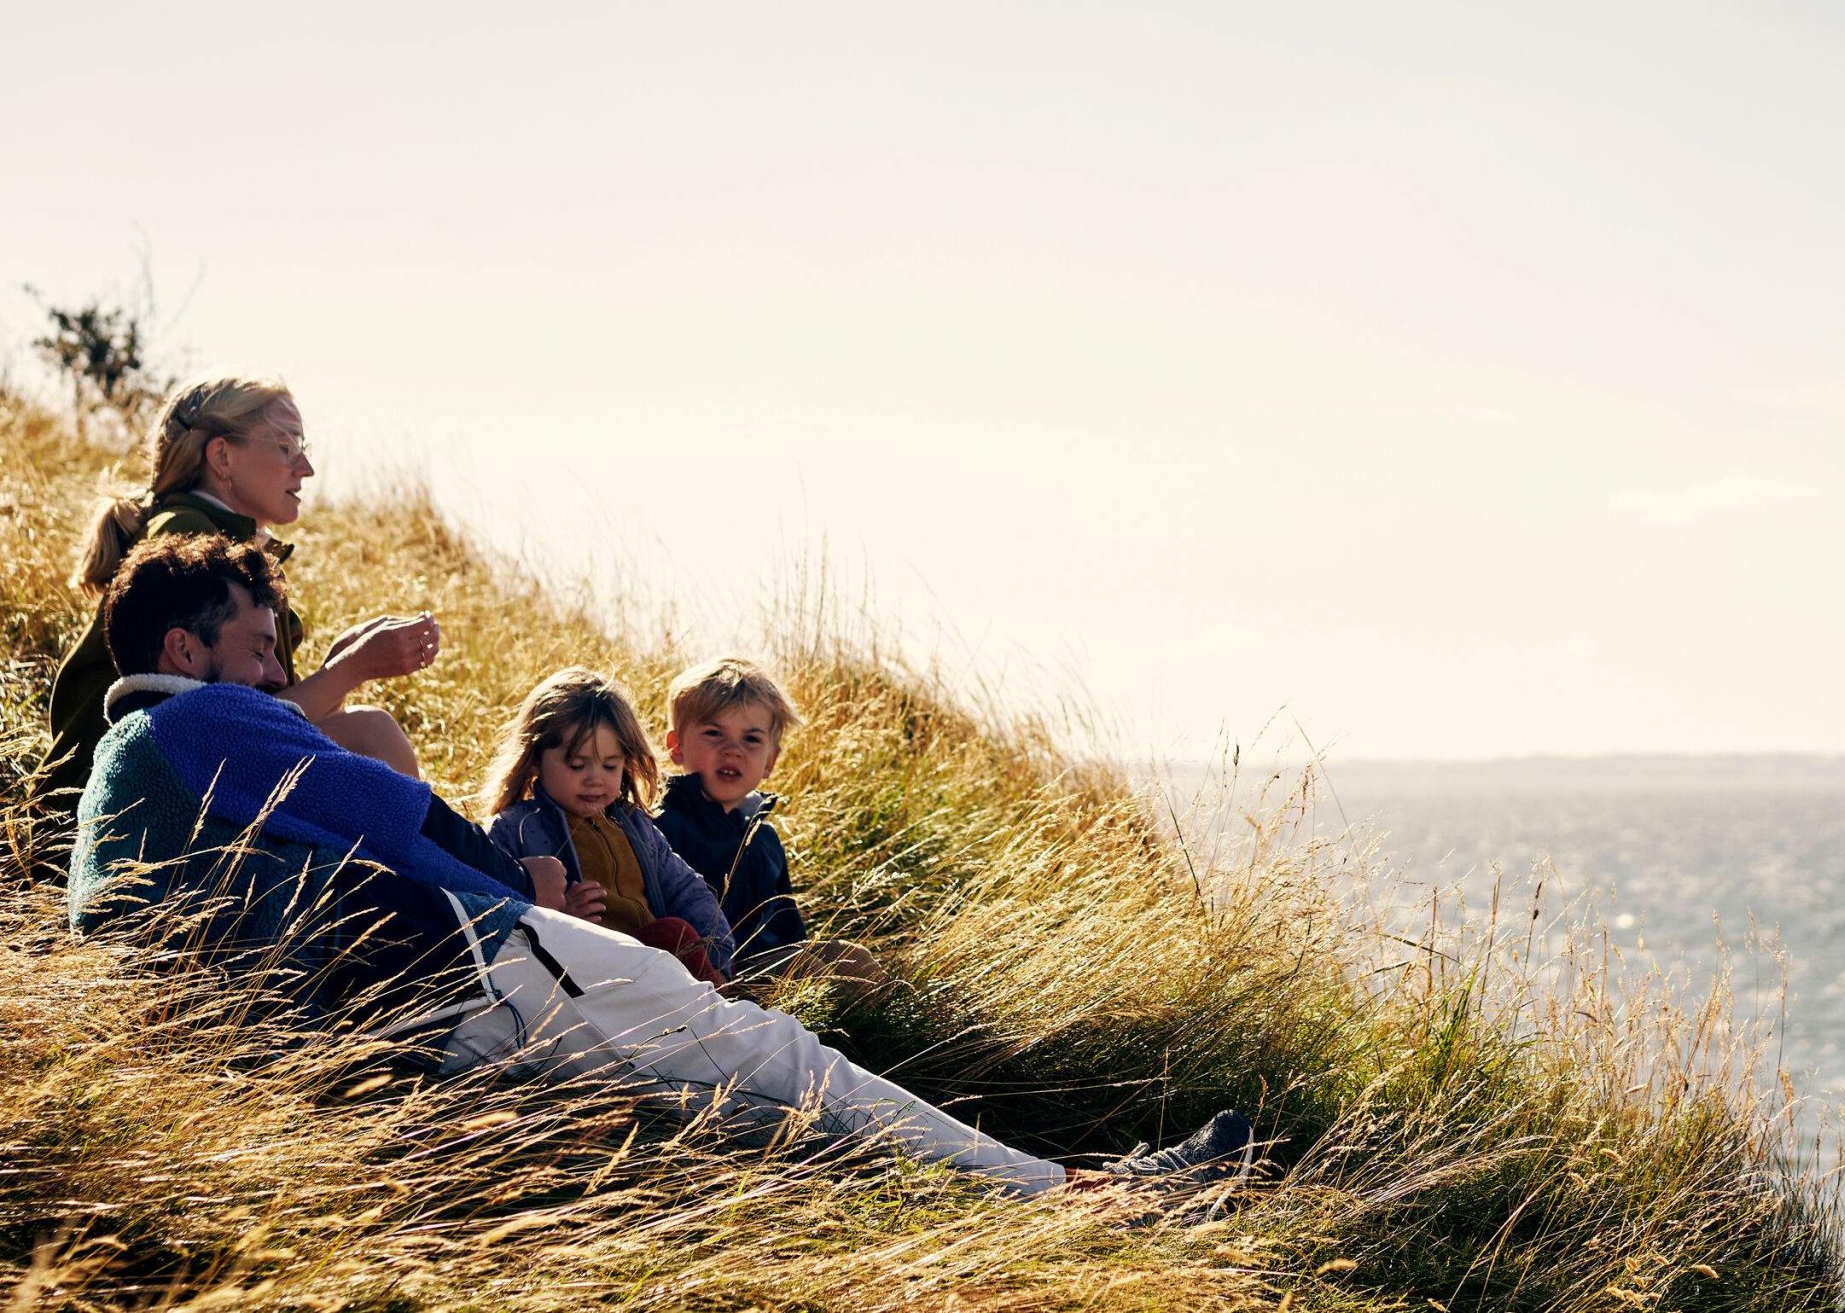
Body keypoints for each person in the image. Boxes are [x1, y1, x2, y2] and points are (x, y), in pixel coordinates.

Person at [68, 532, 1254, 1199]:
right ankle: (1076, 1197)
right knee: (771, 1053)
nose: (280, 677)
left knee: (718, 1105)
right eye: (263, 650)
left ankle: (1019, 1200)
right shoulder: (197, 719)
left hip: (375, 1018)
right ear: (187, 649)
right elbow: (402, 816)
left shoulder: (128, 777)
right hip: (462, 968)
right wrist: (513, 893)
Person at [42, 374, 432, 819]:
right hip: (117, 803)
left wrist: (341, 666)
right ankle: (442, 877)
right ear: (222, 456)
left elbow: (263, 719)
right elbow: (223, 728)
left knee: (361, 738)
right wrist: (351, 669)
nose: (304, 468)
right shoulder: (186, 541)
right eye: (284, 446)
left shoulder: (233, 547)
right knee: (370, 736)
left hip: (169, 783)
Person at [482, 669, 736, 984]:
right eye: (577, 764)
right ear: (534, 759)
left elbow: (688, 890)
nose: (595, 778)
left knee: (672, 933)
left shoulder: (635, 826)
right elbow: (493, 915)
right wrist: (562, 918)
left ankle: (719, 998)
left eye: (610, 765)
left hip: (655, 962)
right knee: (671, 934)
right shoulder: (515, 828)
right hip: (583, 975)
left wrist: (718, 955)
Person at [652, 656, 827, 979]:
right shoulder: (661, 825)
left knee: (846, 959)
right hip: (710, 974)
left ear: (770, 760)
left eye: (751, 739)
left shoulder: (763, 837)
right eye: (714, 733)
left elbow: (789, 929)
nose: (733, 750)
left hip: (769, 966)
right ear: (676, 747)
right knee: (816, 971)